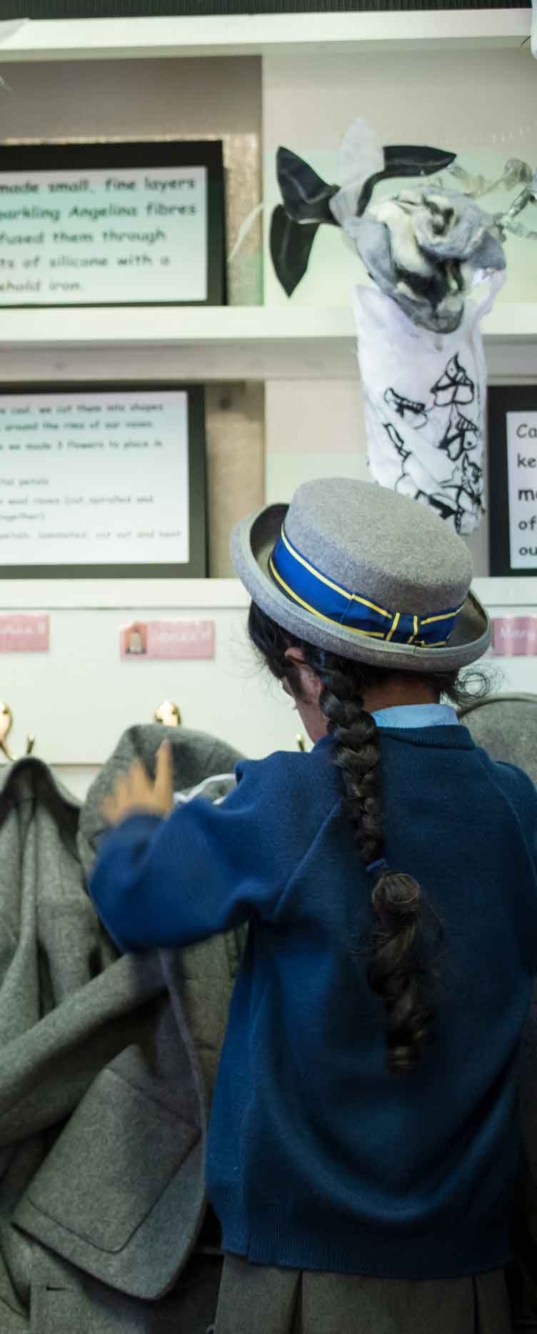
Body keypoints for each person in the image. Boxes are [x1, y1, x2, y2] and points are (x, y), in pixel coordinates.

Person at [89, 478, 536, 1334]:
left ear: (301, 666)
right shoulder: (515, 806)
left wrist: (136, 823)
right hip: (473, 1276)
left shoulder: (284, 804)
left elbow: (136, 902)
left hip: (298, 1278)